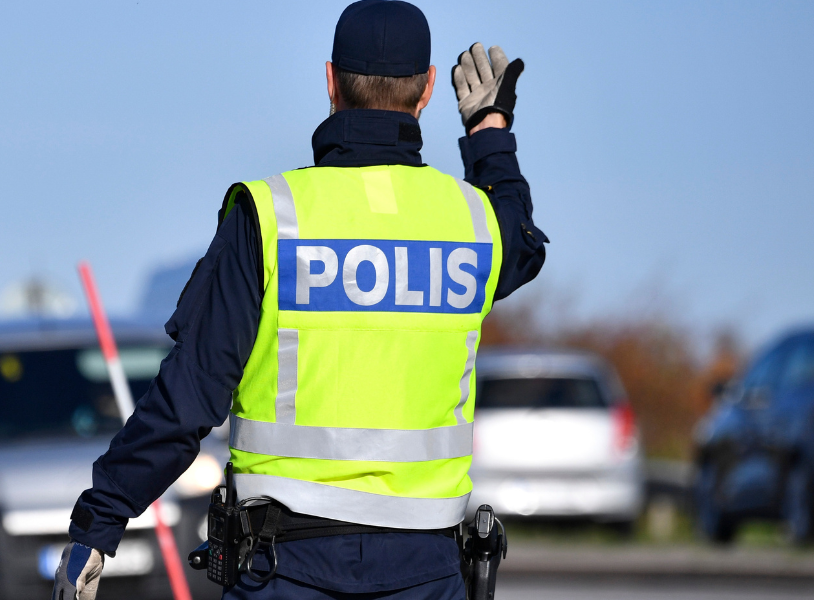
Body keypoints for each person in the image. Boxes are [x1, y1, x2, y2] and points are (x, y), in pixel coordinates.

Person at [53, 1, 546, 598]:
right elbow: (521, 238)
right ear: (428, 91)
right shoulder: (473, 224)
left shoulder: (270, 217)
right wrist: (489, 131)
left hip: (284, 567)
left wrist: (99, 522)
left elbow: (190, 397)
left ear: (332, 80)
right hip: (426, 567)